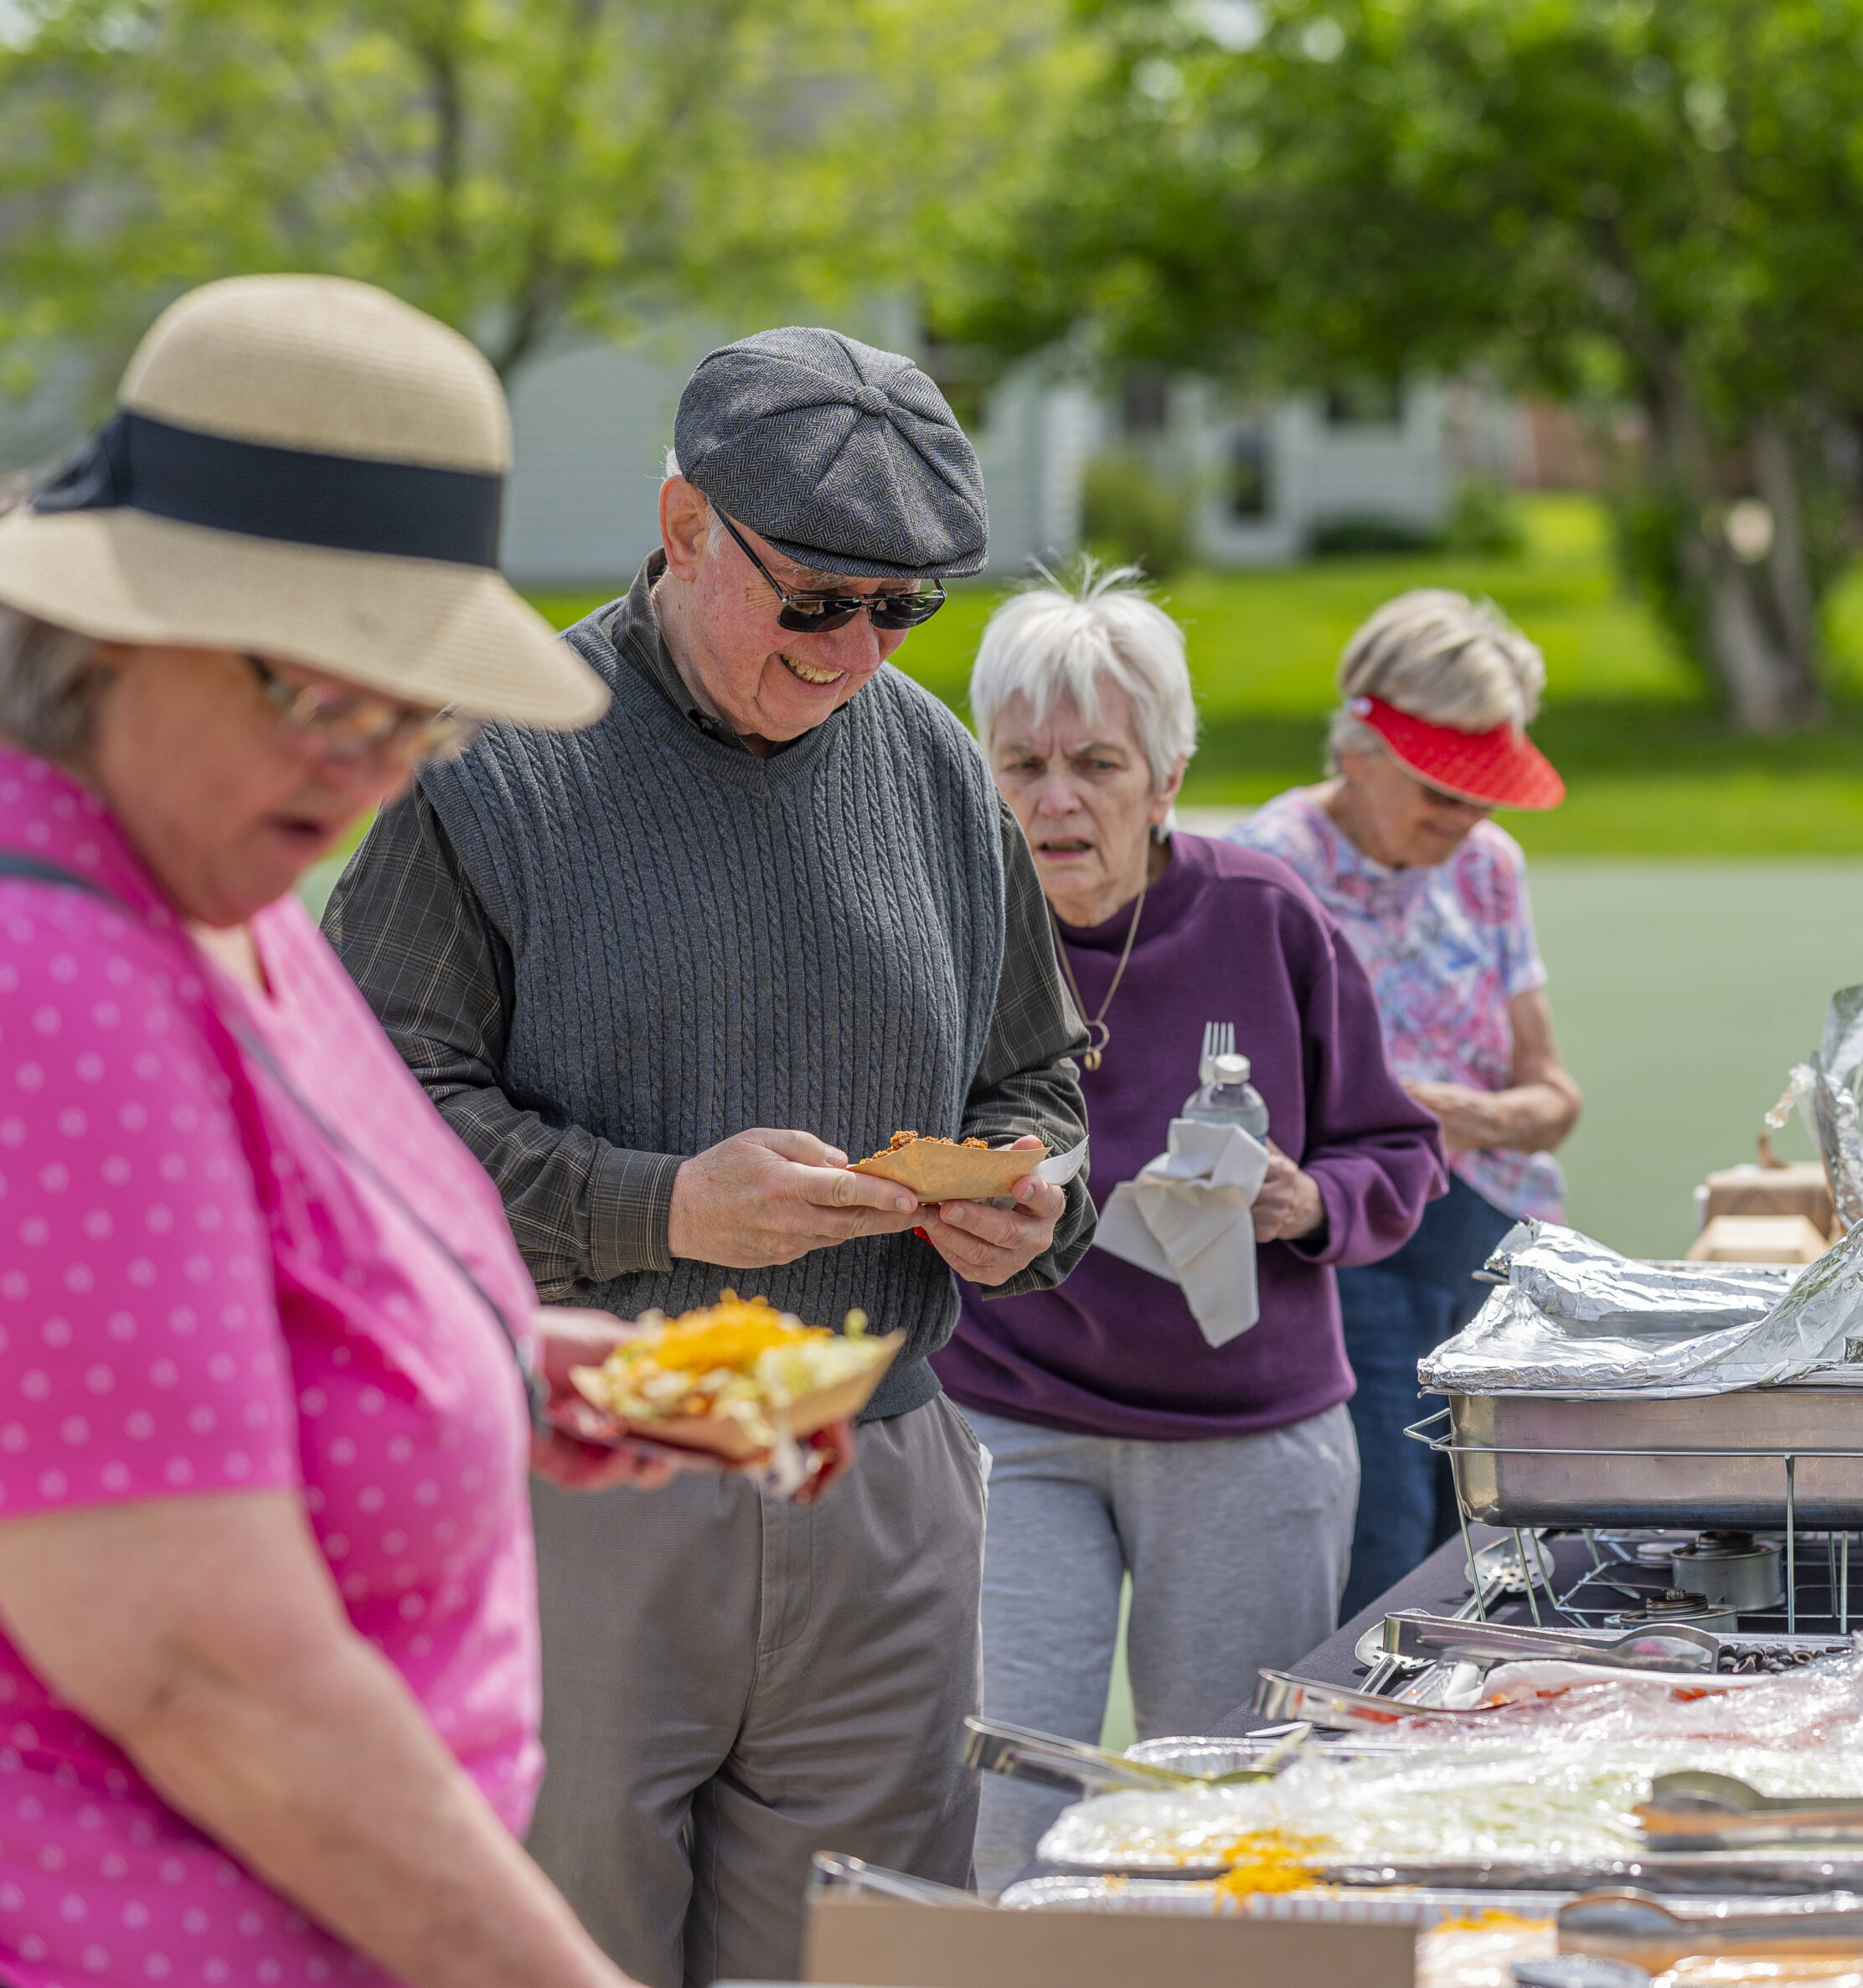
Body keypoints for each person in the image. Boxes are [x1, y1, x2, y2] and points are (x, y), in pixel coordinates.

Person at [326, 328, 1095, 1981]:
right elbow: (359, 1138)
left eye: (905, 610)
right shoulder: (480, 756)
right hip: (587, 1484)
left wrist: (1031, 1199)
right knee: (555, 1948)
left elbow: (1035, 1077)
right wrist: (659, 1206)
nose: (855, 651)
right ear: (681, 524)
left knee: (857, 1963)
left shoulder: (943, 770)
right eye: (814, 598)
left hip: (879, 1493)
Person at [0, 274, 706, 1986]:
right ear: (115, 628)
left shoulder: (202, 879)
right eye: (319, 696)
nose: (368, 769)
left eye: (416, 715)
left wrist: (498, 1362)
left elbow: (192, 1320)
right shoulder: (55, 970)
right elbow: (195, 1662)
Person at [929, 567, 1444, 1892]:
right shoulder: (943, 928)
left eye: (1096, 762)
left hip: (1246, 1431)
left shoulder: (1263, 915)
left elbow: (1398, 1148)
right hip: (1013, 1409)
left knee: (1222, 1814)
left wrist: (1311, 1200)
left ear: (1164, 780)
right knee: (1003, 1790)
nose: (1055, 798)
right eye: (1023, 762)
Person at [1233, 588, 1582, 1619]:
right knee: (1379, 1536)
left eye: (1482, 796)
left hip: (1494, 1231)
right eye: (1440, 793)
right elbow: (1267, 1106)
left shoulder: (1487, 868)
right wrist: (1439, 1115)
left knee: (1504, 1532)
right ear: (1358, 748)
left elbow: (1554, 1097)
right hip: (1353, 1241)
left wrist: (1417, 1108)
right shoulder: (1271, 866)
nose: (1463, 820)